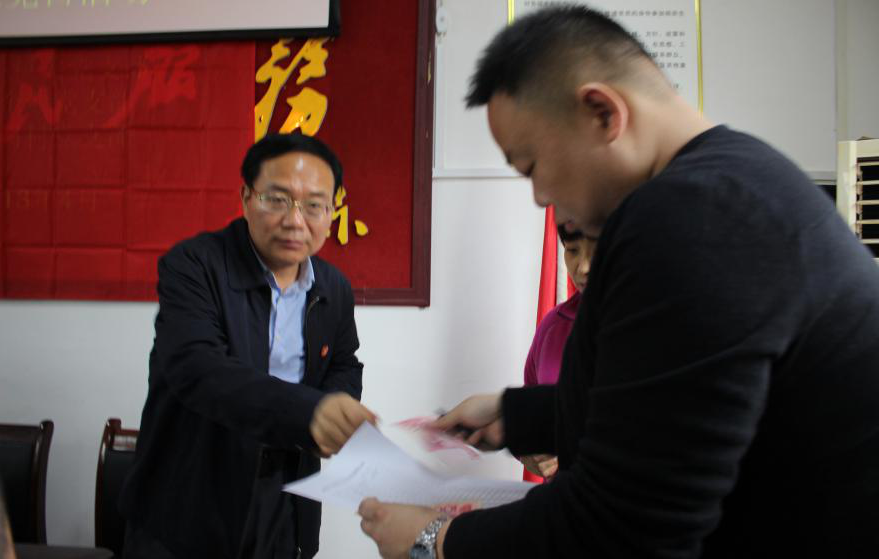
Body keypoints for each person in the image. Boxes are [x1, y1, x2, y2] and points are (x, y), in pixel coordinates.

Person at [358, 6, 879, 558]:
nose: (541, 197)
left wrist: (434, 540)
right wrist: (518, 414)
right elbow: (673, 403)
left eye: (532, 167)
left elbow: (621, 527)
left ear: (603, 113)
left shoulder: (688, 216)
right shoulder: (738, 177)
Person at [120, 133, 376, 559]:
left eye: (314, 205)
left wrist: (338, 407)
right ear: (246, 198)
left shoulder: (333, 286)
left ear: (332, 212)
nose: (295, 221)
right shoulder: (194, 265)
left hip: (286, 494)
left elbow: (344, 363)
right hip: (188, 498)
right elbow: (199, 369)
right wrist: (310, 413)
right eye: (277, 199)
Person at [520, 225, 593, 480]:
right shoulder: (553, 324)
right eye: (572, 250)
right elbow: (531, 413)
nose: (582, 268)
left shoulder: (655, 327)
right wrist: (529, 449)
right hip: (559, 497)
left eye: (597, 252)